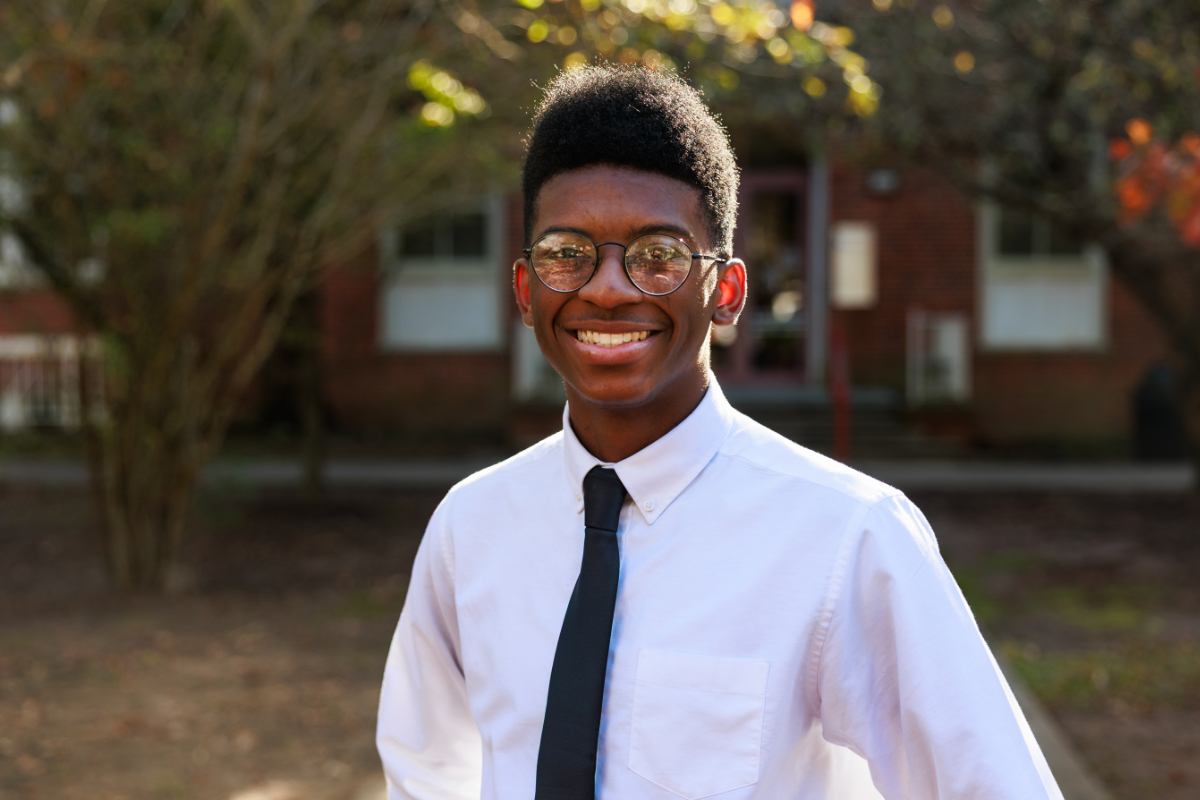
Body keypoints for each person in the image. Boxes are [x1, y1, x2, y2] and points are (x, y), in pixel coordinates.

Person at [376, 65, 1063, 800]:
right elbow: (427, 765)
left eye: (659, 256)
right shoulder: (471, 526)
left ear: (726, 292)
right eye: (567, 253)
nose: (608, 288)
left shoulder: (847, 538)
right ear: (525, 289)